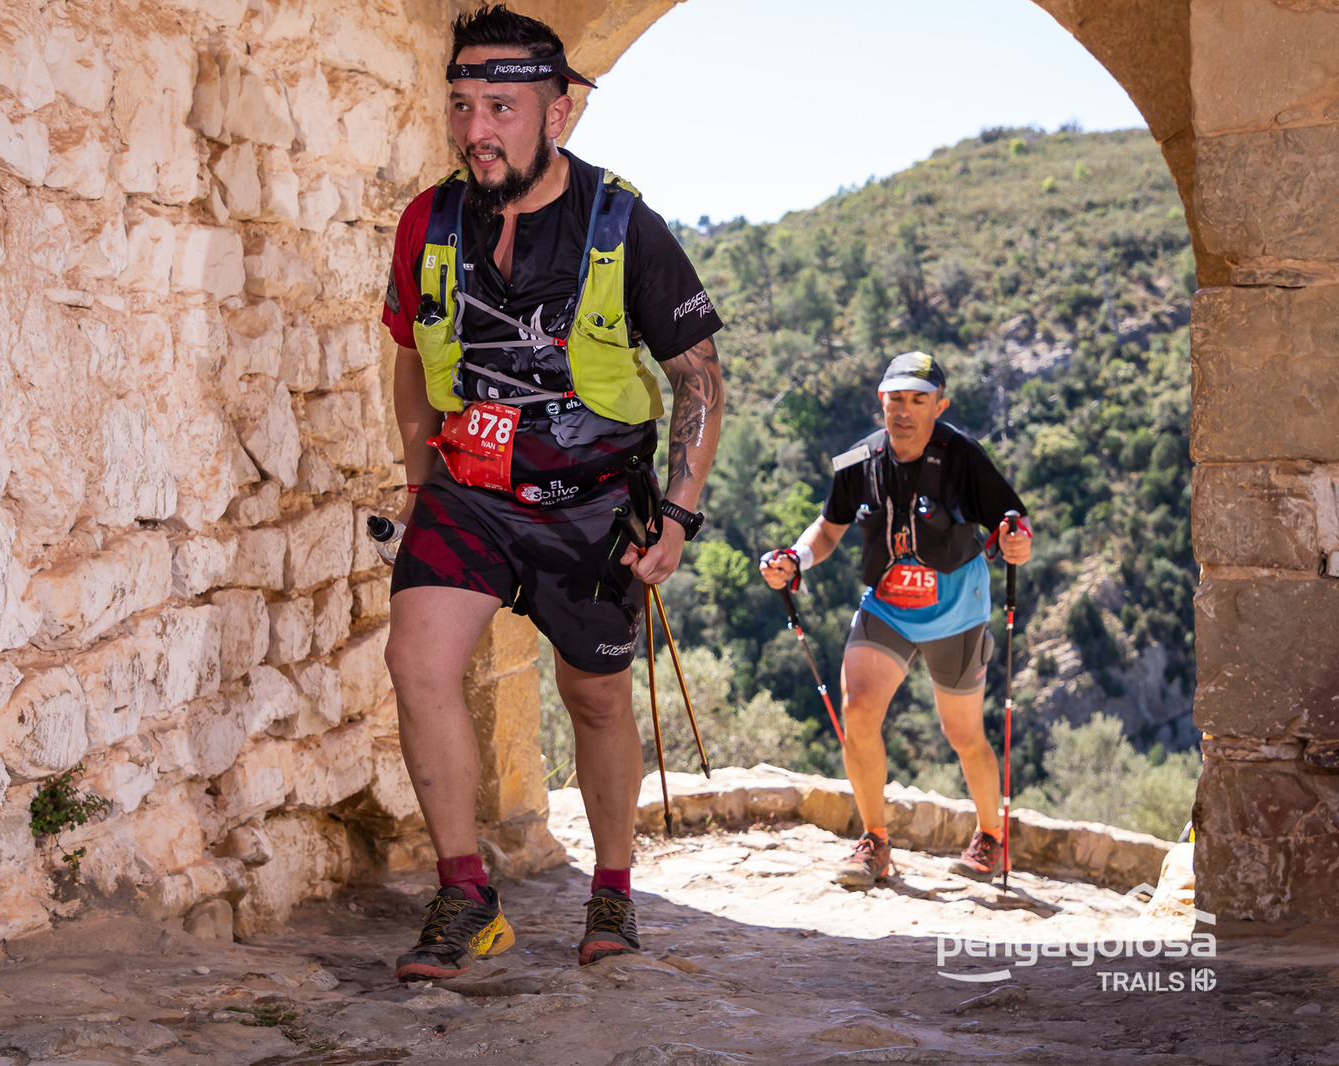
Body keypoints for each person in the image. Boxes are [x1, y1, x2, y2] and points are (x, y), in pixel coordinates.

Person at [379, 4, 725, 981]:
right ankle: (466, 895)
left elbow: (698, 377)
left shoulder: (624, 225)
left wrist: (679, 514)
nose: (476, 129)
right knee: (416, 660)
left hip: (593, 502)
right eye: (462, 105)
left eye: (501, 106)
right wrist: (417, 478)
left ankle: (612, 888)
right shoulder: (427, 222)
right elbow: (408, 356)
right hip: (467, 490)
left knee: (595, 697)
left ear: (558, 113)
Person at [760, 352, 1031, 887]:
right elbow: (829, 528)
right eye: (896, 399)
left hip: (956, 610)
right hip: (887, 605)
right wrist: (795, 558)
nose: (904, 411)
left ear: (939, 406)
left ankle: (990, 837)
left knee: (963, 735)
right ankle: (875, 842)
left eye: (918, 400)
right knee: (858, 710)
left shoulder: (962, 457)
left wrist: (1016, 542)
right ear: (881, 401)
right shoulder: (860, 460)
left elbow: (1011, 520)